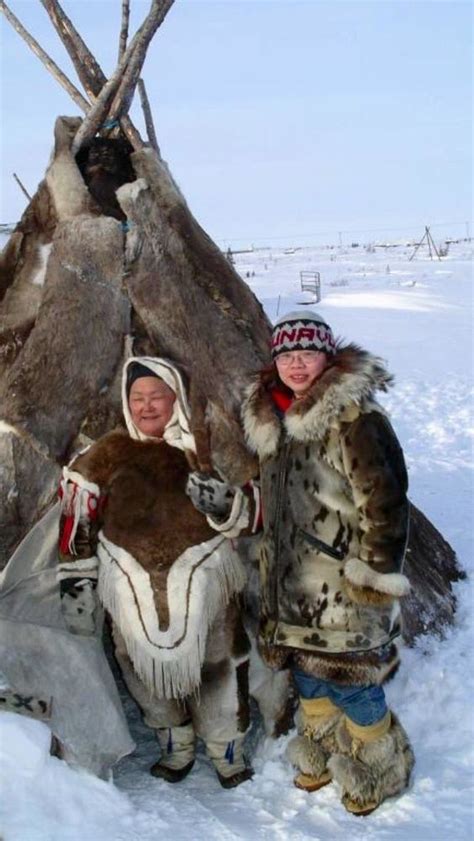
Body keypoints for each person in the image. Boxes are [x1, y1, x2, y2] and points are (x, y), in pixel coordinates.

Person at [187, 310, 414, 815]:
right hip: (289, 589)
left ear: (327, 357)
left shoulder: (356, 420)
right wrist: (229, 505)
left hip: (344, 591)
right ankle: (321, 751)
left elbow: (385, 503)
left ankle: (377, 766)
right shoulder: (275, 422)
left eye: (307, 353)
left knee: (352, 685)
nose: (296, 363)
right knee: (309, 680)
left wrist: (372, 577)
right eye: (287, 354)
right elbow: (269, 504)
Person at [57, 356, 253, 788]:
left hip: (204, 584)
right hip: (131, 587)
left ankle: (227, 753)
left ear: (175, 399)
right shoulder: (106, 452)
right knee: (144, 674)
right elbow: (77, 518)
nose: (147, 407)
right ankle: (175, 746)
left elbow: (250, 509)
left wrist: (225, 504)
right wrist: (77, 584)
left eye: (156, 397)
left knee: (217, 668)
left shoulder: (206, 448)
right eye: (137, 398)